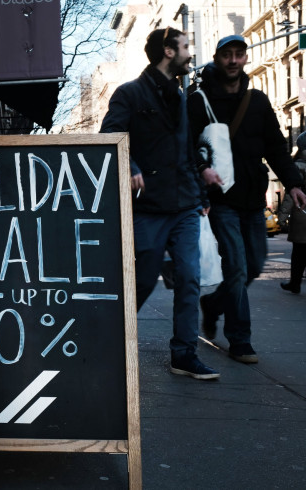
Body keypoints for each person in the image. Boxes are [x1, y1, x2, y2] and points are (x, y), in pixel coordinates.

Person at [101, 28, 218, 380]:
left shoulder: (181, 96)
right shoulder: (129, 93)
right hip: (148, 207)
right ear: (168, 51)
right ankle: (108, 342)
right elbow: (110, 135)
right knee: (141, 280)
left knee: (189, 278)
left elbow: (186, 150)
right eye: (184, 47)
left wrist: (202, 193)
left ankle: (184, 355)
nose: (189, 53)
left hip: (184, 204)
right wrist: (132, 166)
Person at [188, 35, 306, 364]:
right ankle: (240, 340)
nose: (234, 61)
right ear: (217, 58)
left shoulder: (257, 101)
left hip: (253, 199)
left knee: (253, 265)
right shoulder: (198, 100)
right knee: (237, 267)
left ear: (245, 59)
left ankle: (213, 305)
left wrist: (293, 183)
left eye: (239, 55)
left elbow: (275, 148)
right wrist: (202, 170)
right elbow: (184, 144)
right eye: (228, 55)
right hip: (221, 198)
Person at [278, 131, 306, 294]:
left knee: (299, 252)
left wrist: (281, 217)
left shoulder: (298, 166)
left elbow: (291, 195)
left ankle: (294, 283)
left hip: (302, 213)